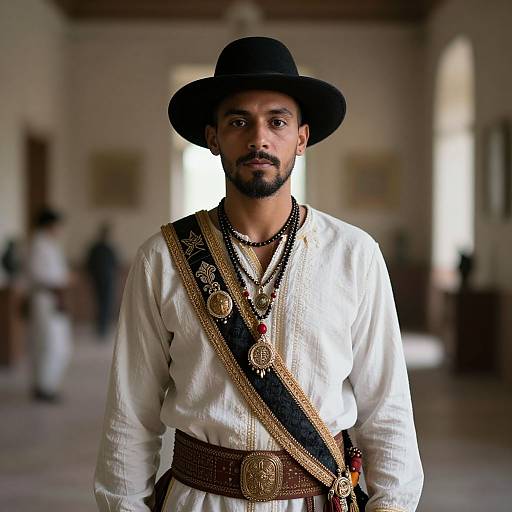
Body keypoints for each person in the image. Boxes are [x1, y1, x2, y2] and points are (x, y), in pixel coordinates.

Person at [95, 37, 423, 511]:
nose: (259, 139)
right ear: (213, 138)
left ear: (301, 138)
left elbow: (387, 410)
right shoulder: (163, 260)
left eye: (277, 121)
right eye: (238, 121)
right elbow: (129, 415)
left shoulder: (355, 255)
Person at [27, 207, 72, 402]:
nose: (60, 229)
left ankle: (49, 384)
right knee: (48, 344)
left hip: (54, 298)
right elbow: (39, 274)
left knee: (58, 344)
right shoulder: (38, 245)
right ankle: (44, 387)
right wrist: (63, 278)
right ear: (49, 225)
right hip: (45, 298)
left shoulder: (49, 244)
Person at [86, 223, 120, 339]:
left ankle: (103, 328)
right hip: (100, 279)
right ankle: (101, 327)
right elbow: (89, 265)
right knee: (102, 303)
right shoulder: (97, 248)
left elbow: (115, 264)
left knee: (105, 303)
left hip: (106, 279)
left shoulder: (105, 248)